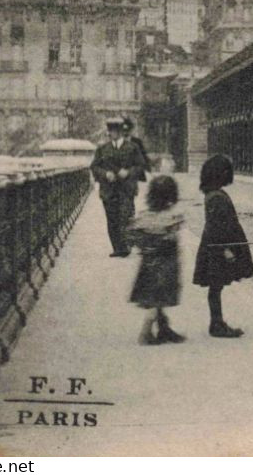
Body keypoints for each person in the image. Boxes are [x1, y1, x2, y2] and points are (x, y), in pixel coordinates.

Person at [192, 154, 253, 338]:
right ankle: (216, 323)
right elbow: (215, 226)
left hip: (215, 245)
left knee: (216, 285)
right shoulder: (216, 197)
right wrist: (225, 249)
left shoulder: (213, 193)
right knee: (216, 285)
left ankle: (217, 322)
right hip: (217, 247)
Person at [128, 174, 186, 345]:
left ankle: (163, 328)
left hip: (148, 264)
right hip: (165, 264)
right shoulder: (172, 217)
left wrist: (144, 247)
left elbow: (131, 234)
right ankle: (145, 333)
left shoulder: (143, 216)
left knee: (154, 297)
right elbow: (171, 237)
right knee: (157, 298)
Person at [91, 116, 150, 257]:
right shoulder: (102, 149)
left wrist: (128, 172)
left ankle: (126, 246)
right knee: (112, 219)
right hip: (108, 190)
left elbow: (141, 166)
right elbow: (94, 166)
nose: (112, 133)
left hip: (126, 189)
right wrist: (105, 174)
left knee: (126, 217)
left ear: (121, 132)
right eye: (110, 131)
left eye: (115, 131)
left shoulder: (132, 148)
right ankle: (118, 248)